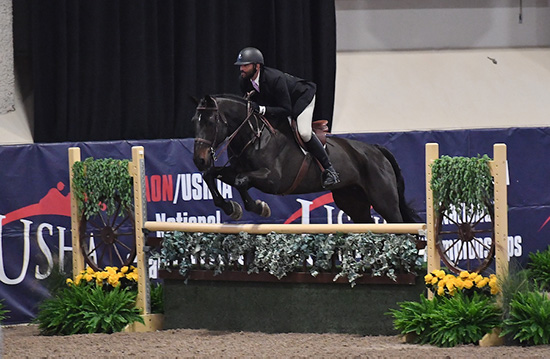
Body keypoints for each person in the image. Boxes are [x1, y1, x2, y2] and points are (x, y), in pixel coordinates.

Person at [234, 47, 340, 189]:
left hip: (301, 98)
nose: (242, 69)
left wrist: (262, 109)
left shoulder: (274, 79)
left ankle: (330, 170)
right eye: (241, 65)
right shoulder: (244, 81)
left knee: (304, 132)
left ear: (257, 66)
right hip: (279, 104)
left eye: (245, 65)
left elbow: (286, 109)